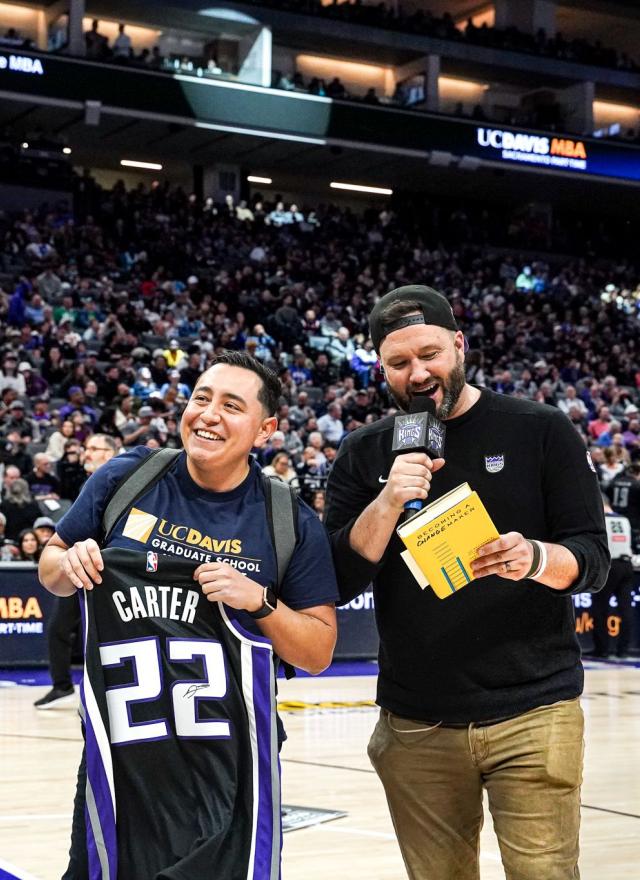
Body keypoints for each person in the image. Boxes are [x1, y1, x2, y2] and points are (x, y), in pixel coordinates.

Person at [324, 284, 609, 880]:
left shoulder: (540, 430)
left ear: (459, 343)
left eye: (430, 353)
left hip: (534, 708)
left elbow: (592, 558)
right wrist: (388, 501)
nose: (419, 373)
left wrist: (533, 557)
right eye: (400, 363)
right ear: (381, 367)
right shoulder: (363, 452)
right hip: (416, 722)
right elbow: (339, 579)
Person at [38, 351, 338, 878]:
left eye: (230, 405)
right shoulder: (127, 477)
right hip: (123, 757)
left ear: (265, 428)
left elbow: (317, 652)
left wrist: (260, 602)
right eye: (201, 398)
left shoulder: (287, 517)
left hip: (230, 767)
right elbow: (51, 567)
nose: (208, 414)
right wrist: (72, 562)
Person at [34, 434, 118, 710]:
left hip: (112, 573)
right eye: (87, 447)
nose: (87, 453)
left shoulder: (127, 481)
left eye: (94, 448)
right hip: (81, 567)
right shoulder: (89, 483)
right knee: (59, 627)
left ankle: (106, 690)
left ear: (112, 452)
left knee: (103, 635)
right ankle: (61, 685)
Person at [586, 494, 635, 659]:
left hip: (610, 565)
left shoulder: (601, 520)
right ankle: (624, 650)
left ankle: (603, 649)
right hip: (627, 565)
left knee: (599, 608)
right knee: (626, 609)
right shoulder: (624, 519)